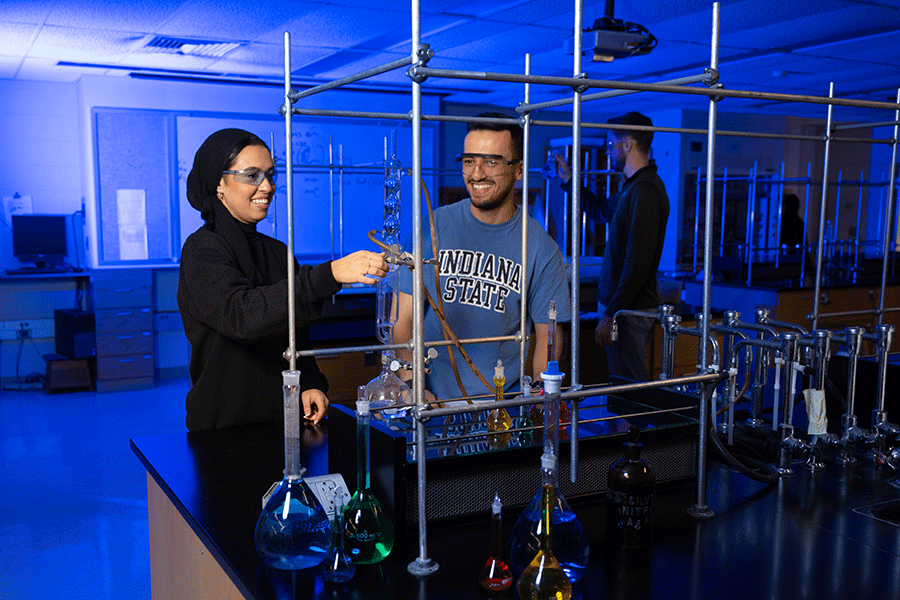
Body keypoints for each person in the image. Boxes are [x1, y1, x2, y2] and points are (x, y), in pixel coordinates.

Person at [178, 128, 387, 431]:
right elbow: (243, 317)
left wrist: (312, 382)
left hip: (286, 420)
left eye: (270, 174)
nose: (268, 186)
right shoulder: (202, 250)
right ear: (219, 184)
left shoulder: (278, 252)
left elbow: (296, 337)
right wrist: (329, 275)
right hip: (224, 426)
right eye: (252, 175)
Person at [393, 113, 571, 402]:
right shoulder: (430, 228)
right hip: (428, 405)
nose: (476, 174)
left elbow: (548, 339)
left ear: (519, 170)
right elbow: (402, 320)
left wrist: (541, 398)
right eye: (468, 161)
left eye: (491, 162)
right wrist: (412, 384)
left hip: (499, 413)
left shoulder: (540, 247)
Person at [557, 112, 669, 381]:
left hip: (628, 311)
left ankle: (631, 425)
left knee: (627, 387)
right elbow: (600, 212)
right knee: (622, 382)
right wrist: (571, 181)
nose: (608, 152)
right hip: (622, 309)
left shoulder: (645, 191)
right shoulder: (633, 187)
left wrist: (611, 314)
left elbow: (637, 263)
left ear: (628, 144)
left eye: (611, 145)